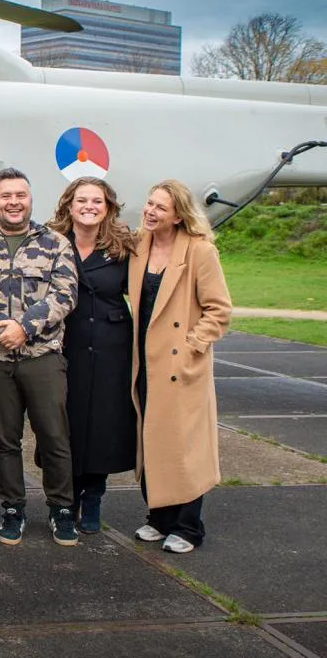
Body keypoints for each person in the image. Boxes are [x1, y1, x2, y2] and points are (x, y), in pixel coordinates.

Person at [0, 168, 79, 547]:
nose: (13, 202)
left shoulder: (55, 243)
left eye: (20, 195)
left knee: (54, 435)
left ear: (30, 199)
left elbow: (65, 294)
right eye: (6, 196)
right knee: (5, 440)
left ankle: (61, 508)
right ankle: (12, 508)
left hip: (41, 356)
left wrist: (25, 327)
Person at [129, 180, 232, 553]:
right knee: (151, 439)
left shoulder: (200, 251)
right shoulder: (140, 245)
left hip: (181, 364)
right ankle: (159, 518)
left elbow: (219, 310)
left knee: (184, 446)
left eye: (160, 207)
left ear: (178, 214)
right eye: (149, 203)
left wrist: (192, 346)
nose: (150, 211)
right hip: (145, 359)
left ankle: (189, 527)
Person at [47, 177, 139, 535]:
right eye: (82, 200)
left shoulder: (124, 246)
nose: (89, 206)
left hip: (110, 345)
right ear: (69, 205)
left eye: (97, 201)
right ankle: (65, 498)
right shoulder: (53, 242)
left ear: (108, 207)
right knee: (64, 422)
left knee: (102, 424)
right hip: (65, 344)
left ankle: (94, 497)